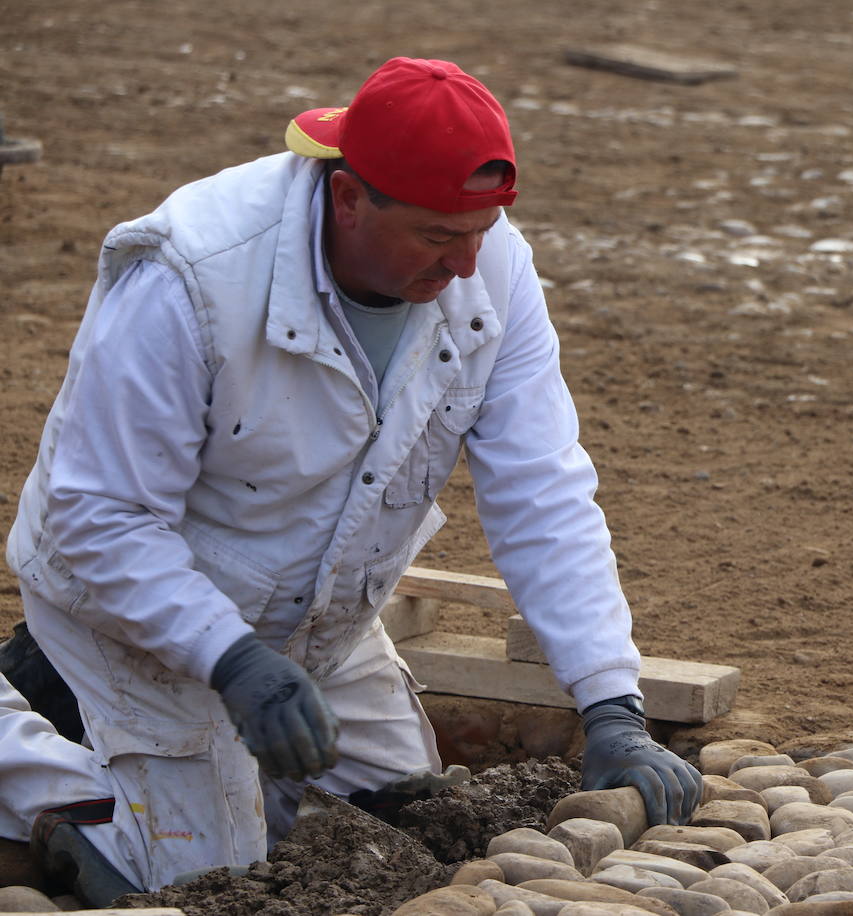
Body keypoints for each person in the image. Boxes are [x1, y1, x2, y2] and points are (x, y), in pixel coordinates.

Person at [0, 56, 702, 906]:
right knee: (201, 883)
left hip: (320, 620)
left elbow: (542, 489)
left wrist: (610, 703)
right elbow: (100, 517)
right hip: (134, 605)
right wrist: (233, 663)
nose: (469, 265)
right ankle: (25, 754)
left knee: (398, 830)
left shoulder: (489, 269)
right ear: (348, 199)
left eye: (483, 230)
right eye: (439, 237)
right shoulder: (189, 277)